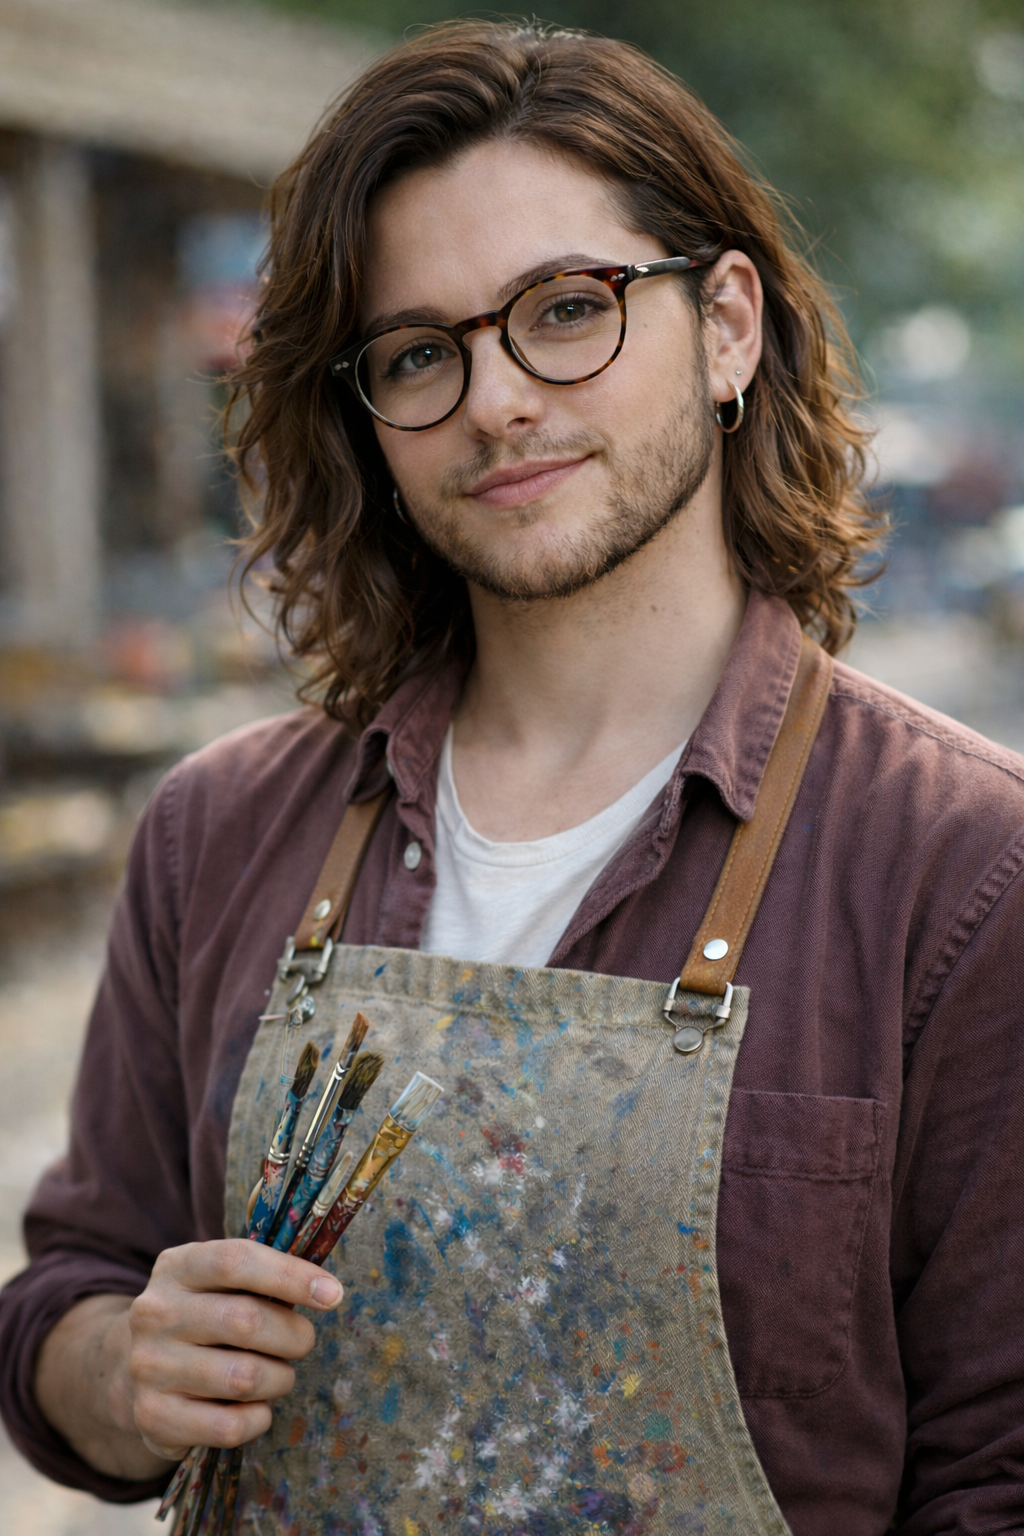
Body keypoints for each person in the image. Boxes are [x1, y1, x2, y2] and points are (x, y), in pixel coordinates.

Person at [2, 19, 1023, 1535]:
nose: (494, 401)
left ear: (728, 325)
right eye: (421, 351)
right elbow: (68, 1298)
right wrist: (121, 1365)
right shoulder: (217, 830)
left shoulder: (965, 872)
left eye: (565, 309)